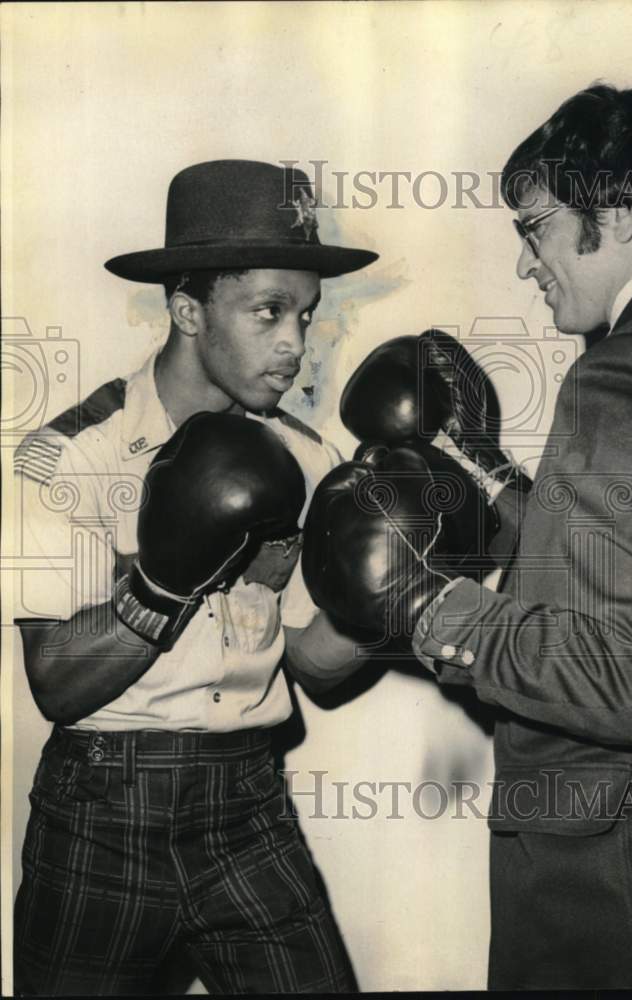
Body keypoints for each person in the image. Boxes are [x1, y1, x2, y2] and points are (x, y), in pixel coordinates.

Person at [304, 85, 632, 988]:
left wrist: (432, 607)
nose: (526, 263)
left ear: (622, 209)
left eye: (534, 229)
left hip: (617, 896)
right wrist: (480, 466)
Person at [13, 158, 378, 995]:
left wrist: (391, 588)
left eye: (307, 317)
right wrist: (166, 581)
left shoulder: (309, 459)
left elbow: (317, 668)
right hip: (102, 805)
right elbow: (56, 684)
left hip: (247, 800)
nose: (296, 344)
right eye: (268, 312)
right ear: (187, 310)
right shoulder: (67, 455)